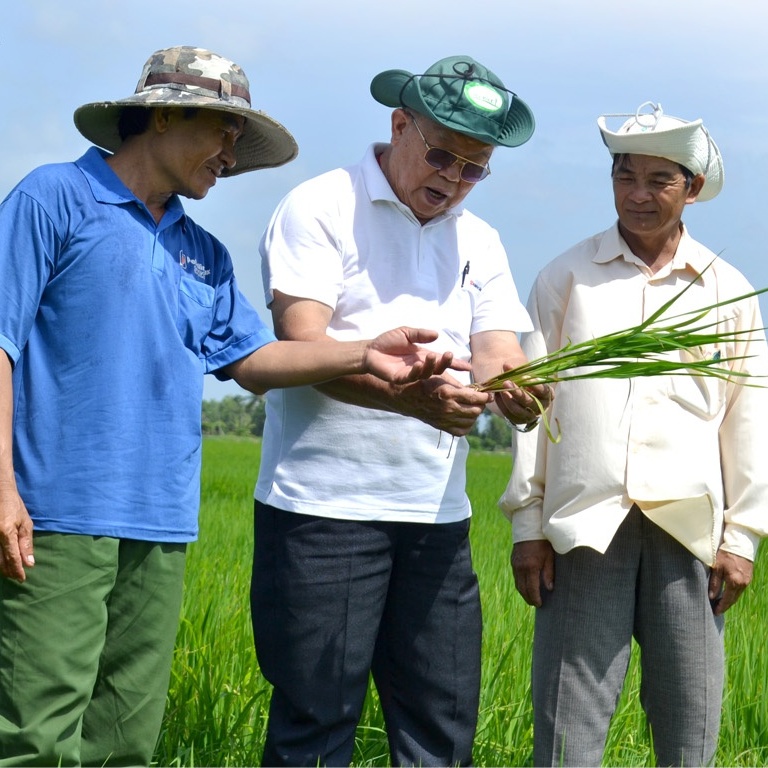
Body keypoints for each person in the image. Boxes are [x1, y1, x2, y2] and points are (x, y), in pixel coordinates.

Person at [0, 46, 468, 767]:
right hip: (57, 516)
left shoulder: (202, 253)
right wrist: (3, 488)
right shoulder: (52, 199)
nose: (230, 154)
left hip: (159, 521)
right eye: (221, 131)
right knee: (35, 734)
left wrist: (363, 350)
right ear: (159, 115)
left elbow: (253, 361)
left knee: (124, 739)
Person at [252, 54, 552, 767]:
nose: (452, 180)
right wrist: (414, 402)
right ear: (399, 124)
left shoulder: (479, 240)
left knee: (441, 726)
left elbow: (498, 349)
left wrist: (520, 392)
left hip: (435, 519)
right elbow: (303, 344)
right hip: (321, 513)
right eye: (441, 156)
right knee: (315, 724)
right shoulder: (322, 205)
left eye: (473, 169)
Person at [500, 102, 768, 767]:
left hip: (690, 532)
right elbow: (531, 408)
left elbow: (749, 418)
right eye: (625, 177)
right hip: (585, 525)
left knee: (690, 722)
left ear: (693, 189)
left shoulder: (724, 290)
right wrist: (528, 527)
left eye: (659, 180)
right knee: (568, 723)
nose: (639, 195)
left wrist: (742, 540)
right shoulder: (568, 278)